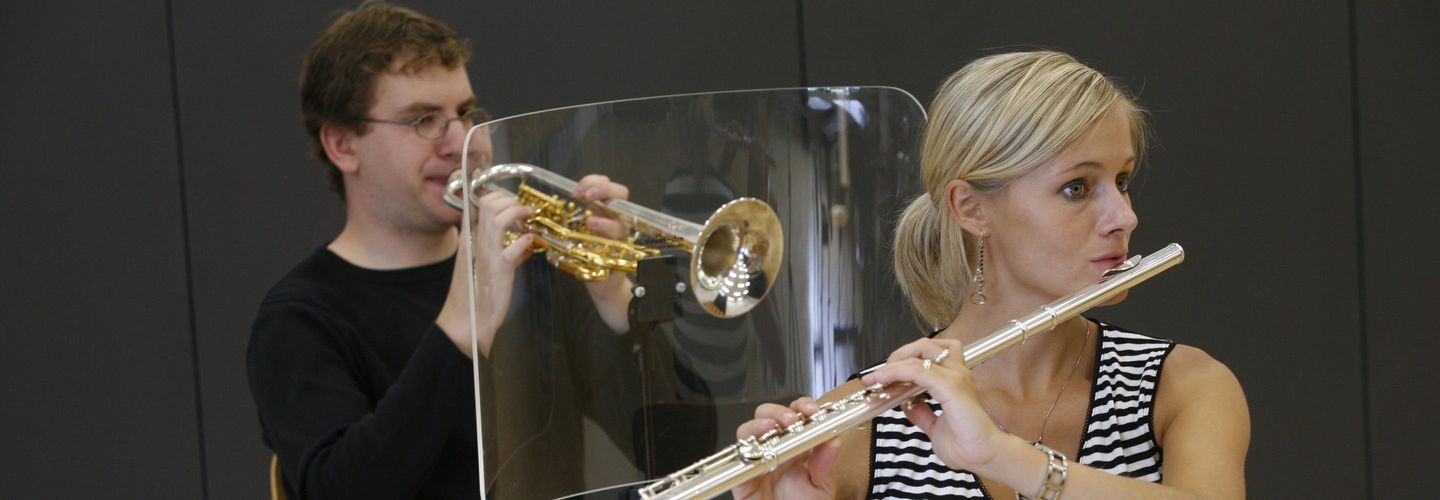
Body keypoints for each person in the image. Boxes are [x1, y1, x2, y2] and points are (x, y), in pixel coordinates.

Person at [733, 51, 1251, 499]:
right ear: (972, 208)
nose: (1124, 216)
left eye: (1121, 180)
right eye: (1077, 187)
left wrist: (1000, 456)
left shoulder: (1183, 387)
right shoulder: (859, 425)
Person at [246, 1, 639, 498]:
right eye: (423, 120)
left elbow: (674, 445)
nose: (463, 142)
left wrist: (615, 300)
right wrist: (459, 328)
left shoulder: (534, 265)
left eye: (465, 114)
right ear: (343, 145)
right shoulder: (298, 319)